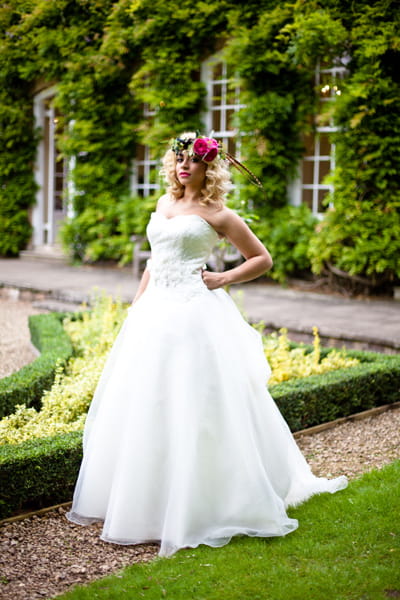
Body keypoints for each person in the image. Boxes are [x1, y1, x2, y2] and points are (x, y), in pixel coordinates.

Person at [67, 132, 347, 557]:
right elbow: (155, 260)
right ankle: (147, 500)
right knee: (146, 402)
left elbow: (262, 259)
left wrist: (222, 278)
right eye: (179, 159)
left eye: (192, 161)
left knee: (194, 402)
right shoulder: (163, 204)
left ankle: (208, 499)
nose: (184, 166)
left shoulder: (219, 214)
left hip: (194, 313)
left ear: (208, 168)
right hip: (154, 312)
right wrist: (136, 307)